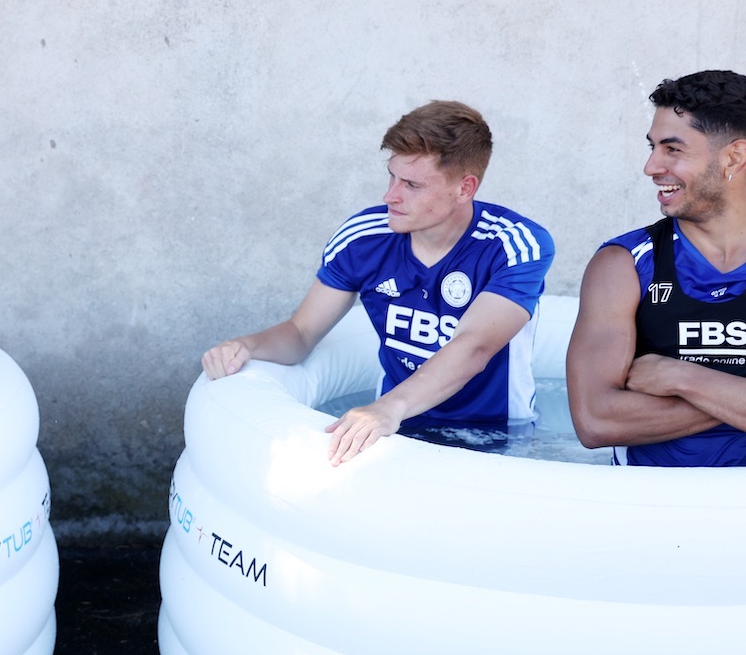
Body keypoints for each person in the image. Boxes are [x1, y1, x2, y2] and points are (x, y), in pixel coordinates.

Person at [201, 101, 555, 464]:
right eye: (392, 177)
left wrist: (387, 408)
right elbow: (301, 333)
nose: (390, 196)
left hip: (499, 433)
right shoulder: (363, 238)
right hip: (396, 425)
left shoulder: (514, 244)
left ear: (465, 188)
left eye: (412, 185)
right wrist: (245, 345)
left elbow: (473, 348)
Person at [565, 70, 746, 466]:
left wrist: (681, 378)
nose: (651, 166)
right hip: (643, 496)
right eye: (653, 147)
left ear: (734, 157)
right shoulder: (623, 264)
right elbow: (595, 422)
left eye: (673, 149)